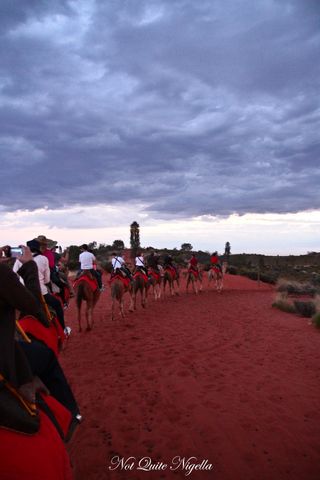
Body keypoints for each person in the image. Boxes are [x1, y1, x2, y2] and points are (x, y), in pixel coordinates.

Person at [0, 246, 75, 480]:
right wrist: (29, 267)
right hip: (34, 293)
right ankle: (71, 414)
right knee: (54, 301)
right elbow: (32, 303)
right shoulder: (24, 264)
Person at [13, 240, 67, 331]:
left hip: (23, 293)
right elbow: (47, 280)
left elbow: (14, 274)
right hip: (40, 292)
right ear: (38, 248)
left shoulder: (19, 258)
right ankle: (63, 329)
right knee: (57, 305)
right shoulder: (43, 258)